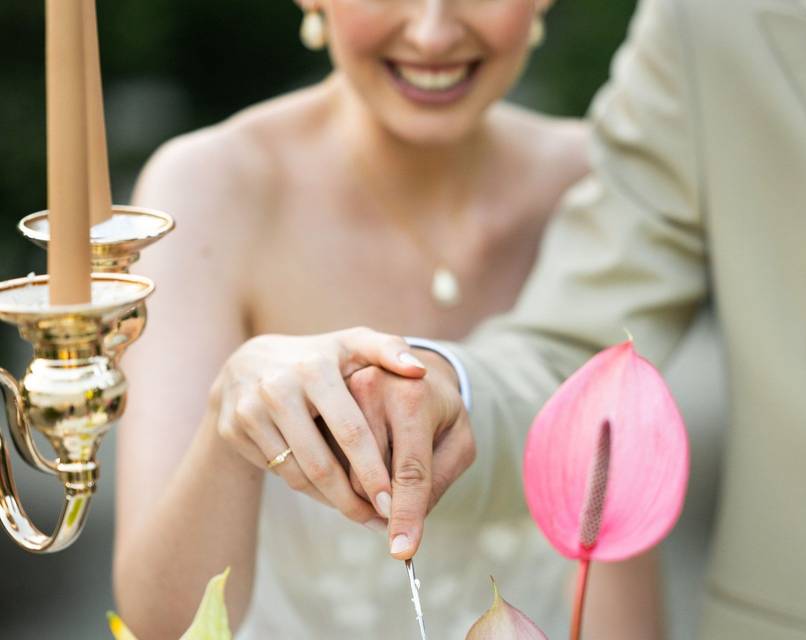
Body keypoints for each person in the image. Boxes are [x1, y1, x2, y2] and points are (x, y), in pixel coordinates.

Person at [204, 0, 806, 637]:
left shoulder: (564, 162)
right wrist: (437, 389)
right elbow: (581, 352)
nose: (432, 31)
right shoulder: (714, 18)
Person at [109, 0, 618, 638]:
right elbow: (163, 625)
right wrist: (228, 424)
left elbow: (617, 558)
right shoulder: (209, 190)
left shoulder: (596, 185)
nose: (432, 33)